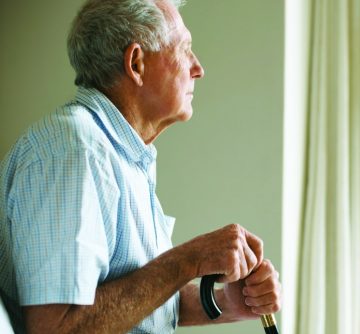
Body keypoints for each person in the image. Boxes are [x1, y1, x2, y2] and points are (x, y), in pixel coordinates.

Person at [0, 0, 281, 333]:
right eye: (185, 49)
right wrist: (188, 260)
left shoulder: (122, 156)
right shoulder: (73, 152)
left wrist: (226, 303)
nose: (198, 68)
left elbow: (132, 305)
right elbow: (58, 328)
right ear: (136, 63)